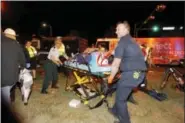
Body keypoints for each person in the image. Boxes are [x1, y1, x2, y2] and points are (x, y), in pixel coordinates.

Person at [107, 21, 147, 123]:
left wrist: (111, 76)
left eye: (118, 29)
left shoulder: (122, 42)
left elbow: (116, 63)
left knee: (121, 99)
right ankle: (115, 110)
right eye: (116, 29)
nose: (116, 32)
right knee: (121, 91)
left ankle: (125, 121)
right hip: (138, 73)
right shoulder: (131, 40)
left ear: (126, 29)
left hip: (132, 74)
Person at [2, 28, 26, 106]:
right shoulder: (15, 44)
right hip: (8, 77)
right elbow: (22, 59)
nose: (15, 37)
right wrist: (23, 66)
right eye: (14, 36)